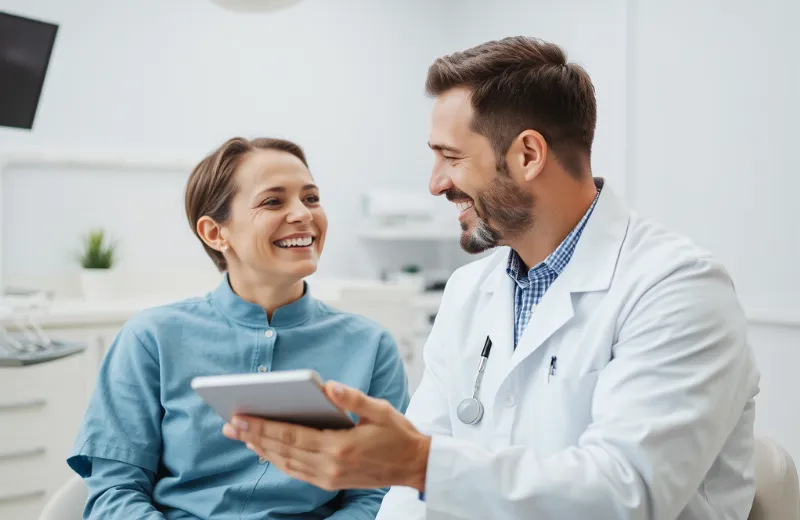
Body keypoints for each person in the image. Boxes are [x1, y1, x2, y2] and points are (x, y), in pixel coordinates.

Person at [223, 38, 761, 520]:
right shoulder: (469, 291)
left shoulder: (678, 288)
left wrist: (419, 463)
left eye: (450, 158)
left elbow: (628, 496)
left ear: (528, 155)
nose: (435, 185)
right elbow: (413, 490)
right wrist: (416, 467)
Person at [67, 136, 410, 520]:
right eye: (273, 201)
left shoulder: (371, 345)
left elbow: (379, 494)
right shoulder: (151, 337)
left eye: (311, 198)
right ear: (215, 233)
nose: (302, 214)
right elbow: (114, 490)